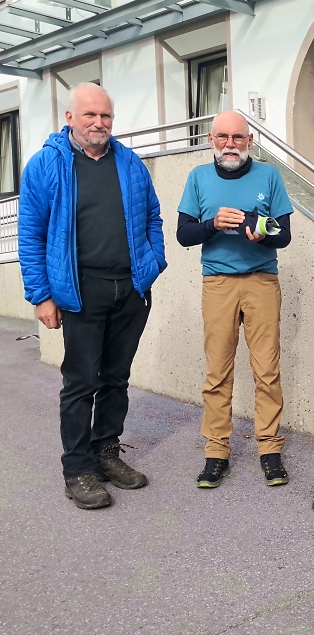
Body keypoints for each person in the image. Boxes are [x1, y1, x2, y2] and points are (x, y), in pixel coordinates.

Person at [18, 82, 167, 510]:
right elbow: (31, 235)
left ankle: (106, 454)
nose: (99, 123)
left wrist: (152, 263)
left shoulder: (129, 162)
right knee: (81, 383)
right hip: (81, 292)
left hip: (130, 289)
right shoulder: (47, 165)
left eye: (105, 116)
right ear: (70, 118)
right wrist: (41, 296)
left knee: (116, 379)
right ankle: (78, 469)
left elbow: (152, 215)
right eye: (90, 115)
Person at [176, 110, 294, 489]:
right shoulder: (198, 177)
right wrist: (212, 225)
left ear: (250, 142)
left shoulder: (269, 176)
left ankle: (270, 450)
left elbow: (284, 234)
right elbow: (183, 234)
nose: (231, 144)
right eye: (223, 137)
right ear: (211, 141)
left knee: (267, 370)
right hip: (219, 283)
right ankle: (216, 453)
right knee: (218, 371)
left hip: (261, 280)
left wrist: (261, 231)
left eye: (238, 138)